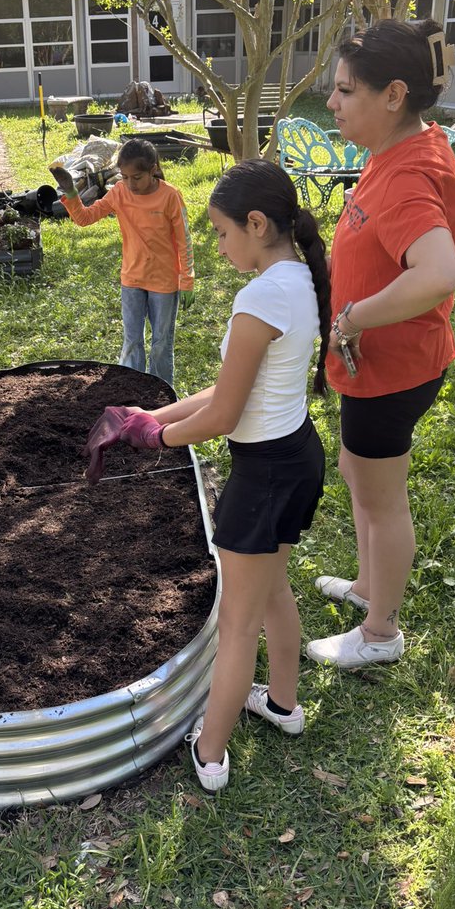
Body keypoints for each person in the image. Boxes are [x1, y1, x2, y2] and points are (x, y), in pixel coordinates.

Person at [83, 159, 331, 791]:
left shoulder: (259, 298)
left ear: (255, 223)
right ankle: (282, 704)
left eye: (221, 234)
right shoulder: (298, 278)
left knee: (238, 620)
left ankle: (212, 751)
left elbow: (223, 414)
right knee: (272, 589)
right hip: (297, 458)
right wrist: (147, 414)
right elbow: (229, 388)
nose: (217, 247)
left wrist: (155, 438)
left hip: (263, 475)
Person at [308, 18, 455, 669]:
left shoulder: (407, 174)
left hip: (393, 368)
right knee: (360, 474)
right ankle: (368, 586)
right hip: (382, 365)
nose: (332, 102)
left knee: (381, 498)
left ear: (394, 95)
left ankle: (380, 633)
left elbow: (438, 273)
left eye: (346, 91)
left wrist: (352, 317)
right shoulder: (402, 150)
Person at [51, 138, 195, 387]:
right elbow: (85, 218)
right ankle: (131, 389)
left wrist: (188, 279)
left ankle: (161, 392)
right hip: (132, 280)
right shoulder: (119, 192)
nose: (130, 183)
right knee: (132, 340)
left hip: (164, 281)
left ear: (152, 170)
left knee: (161, 342)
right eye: (124, 177)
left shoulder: (170, 196)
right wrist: (71, 193)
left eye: (136, 177)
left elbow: (184, 241)